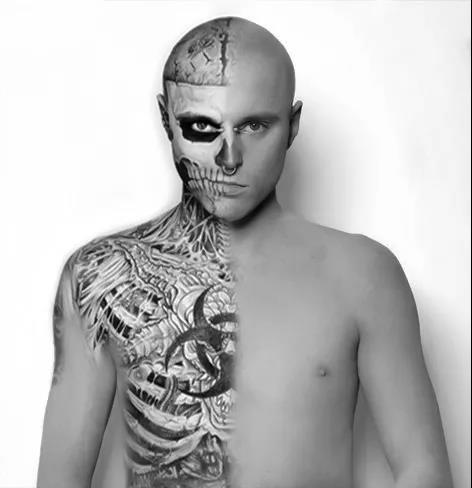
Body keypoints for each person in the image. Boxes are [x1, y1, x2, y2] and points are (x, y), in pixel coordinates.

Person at [37, 16, 453, 488]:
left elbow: (424, 471)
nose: (229, 158)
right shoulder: (100, 275)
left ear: (292, 125)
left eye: (254, 125)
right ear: (166, 119)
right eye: (201, 126)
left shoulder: (363, 276)